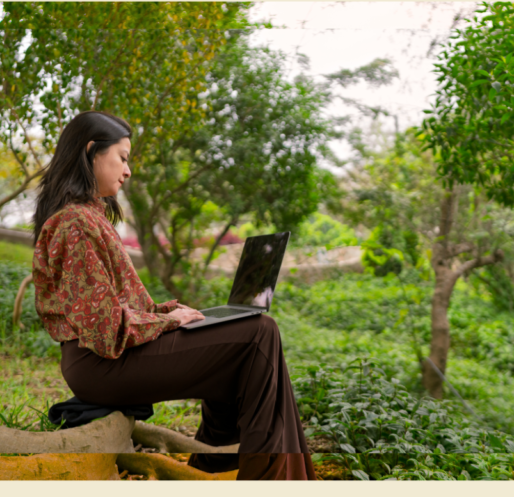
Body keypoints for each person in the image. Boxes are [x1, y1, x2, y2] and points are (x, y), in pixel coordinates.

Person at [31, 111, 316, 480]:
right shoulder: (74, 224)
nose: (128, 170)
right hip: (101, 364)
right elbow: (103, 329)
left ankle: (218, 468)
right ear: (91, 152)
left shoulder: (89, 217)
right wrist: (167, 321)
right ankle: (269, 478)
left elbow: (118, 307)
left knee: (245, 342)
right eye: (123, 157)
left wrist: (172, 311)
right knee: (260, 333)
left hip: (106, 358)